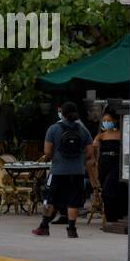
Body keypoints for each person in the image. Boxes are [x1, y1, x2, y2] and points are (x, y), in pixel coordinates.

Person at [33, 100, 92, 238]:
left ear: (62, 113)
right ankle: (72, 230)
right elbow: (90, 152)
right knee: (73, 201)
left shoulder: (53, 129)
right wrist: (79, 160)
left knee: (50, 199)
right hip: (77, 171)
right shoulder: (82, 130)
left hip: (58, 171)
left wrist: (58, 157)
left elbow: (47, 152)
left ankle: (44, 226)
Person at [91, 107, 125, 222]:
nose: (106, 122)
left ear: (114, 121)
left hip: (115, 163)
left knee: (108, 190)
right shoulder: (100, 136)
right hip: (103, 164)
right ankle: (110, 216)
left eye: (108, 120)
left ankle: (112, 216)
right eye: (104, 120)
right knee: (108, 189)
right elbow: (94, 151)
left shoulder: (120, 134)